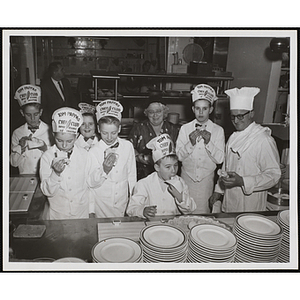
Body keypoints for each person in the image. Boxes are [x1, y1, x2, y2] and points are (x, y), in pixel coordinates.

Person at [209, 87, 281, 212]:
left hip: (251, 206)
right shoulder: (233, 137)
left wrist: (242, 181)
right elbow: (226, 168)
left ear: (251, 113)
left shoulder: (263, 140)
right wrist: (218, 191)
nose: (236, 121)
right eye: (232, 117)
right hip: (229, 203)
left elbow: (274, 175)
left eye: (240, 116)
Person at [176, 84, 225, 214]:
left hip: (206, 183)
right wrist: (189, 144)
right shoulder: (185, 128)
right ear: (193, 109)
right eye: (198, 108)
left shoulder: (218, 130)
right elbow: (178, 157)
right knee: (184, 212)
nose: (201, 112)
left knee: (202, 216)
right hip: (186, 180)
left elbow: (220, 159)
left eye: (205, 108)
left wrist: (209, 143)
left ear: (211, 109)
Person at [86, 100, 136, 218]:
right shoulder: (93, 151)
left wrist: (133, 200)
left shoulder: (127, 146)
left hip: (122, 201)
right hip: (102, 203)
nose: (109, 138)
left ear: (119, 129)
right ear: (98, 129)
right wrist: (104, 170)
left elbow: (132, 175)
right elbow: (90, 183)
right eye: (104, 133)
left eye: (113, 133)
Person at [126, 133, 196, 218]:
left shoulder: (180, 182)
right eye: (168, 167)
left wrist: (180, 197)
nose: (173, 171)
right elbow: (131, 209)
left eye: (175, 165)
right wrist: (142, 211)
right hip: (151, 226)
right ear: (157, 167)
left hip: (172, 225)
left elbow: (191, 210)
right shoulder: (144, 184)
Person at [40, 107, 90, 220]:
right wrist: (55, 174)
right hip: (58, 214)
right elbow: (47, 191)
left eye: (69, 141)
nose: (64, 145)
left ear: (77, 136)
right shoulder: (47, 157)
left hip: (81, 212)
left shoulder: (85, 154)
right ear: (53, 135)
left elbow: (89, 186)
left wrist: (91, 210)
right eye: (59, 140)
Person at [128, 98, 180, 180]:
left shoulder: (173, 129)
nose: (155, 115)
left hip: (168, 175)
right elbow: (129, 147)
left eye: (158, 111)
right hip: (143, 175)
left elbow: (180, 152)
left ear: (164, 112)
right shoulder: (138, 128)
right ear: (146, 113)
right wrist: (138, 156)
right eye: (151, 112)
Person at [10, 84, 52, 175]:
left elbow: (56, 158)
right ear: (22, 113)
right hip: (25, 176)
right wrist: (20, 147)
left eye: (36, 114)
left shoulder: (50, 130)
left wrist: (45, 148)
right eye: (28, 115)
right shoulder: (17, 133)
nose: (32, 119)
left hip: (46, 176)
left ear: (41, 112)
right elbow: (13, 163)